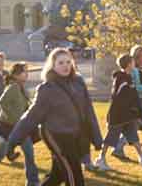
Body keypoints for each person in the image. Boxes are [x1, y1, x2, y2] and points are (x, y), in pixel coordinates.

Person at [9, 48, 102, 186]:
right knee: (74, 175)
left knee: (57, 176)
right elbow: (31, 116)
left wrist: (97, 137)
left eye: (68, 62)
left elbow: (89, 111)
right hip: (56, 134)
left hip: (75, 134)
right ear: (53, 65)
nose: (66, 66)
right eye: (61, 63)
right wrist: (13, 140)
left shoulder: (78, 83)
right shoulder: (47, 88)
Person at [0, 62, 40, 186]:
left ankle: (32, 182)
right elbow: (2, 102)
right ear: (16, 75)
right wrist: (14, 118)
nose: (27, 74)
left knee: (29, 153)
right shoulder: (13, 87)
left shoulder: (21, 87)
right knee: (0, 155)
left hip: (21, 128)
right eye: (24, 72)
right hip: (7, 129)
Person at [94, 53, 142, 171]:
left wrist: (135, 110)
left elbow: (132, 97)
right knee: (110, 139)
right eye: (132, 62)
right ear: (128, 64)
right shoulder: (121, 79)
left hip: (128, 115)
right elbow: (119, 97)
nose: (134, 64)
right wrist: (133, 108)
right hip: (118, 115)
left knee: (133, 136)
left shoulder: (128, 78)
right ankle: (100, 159)